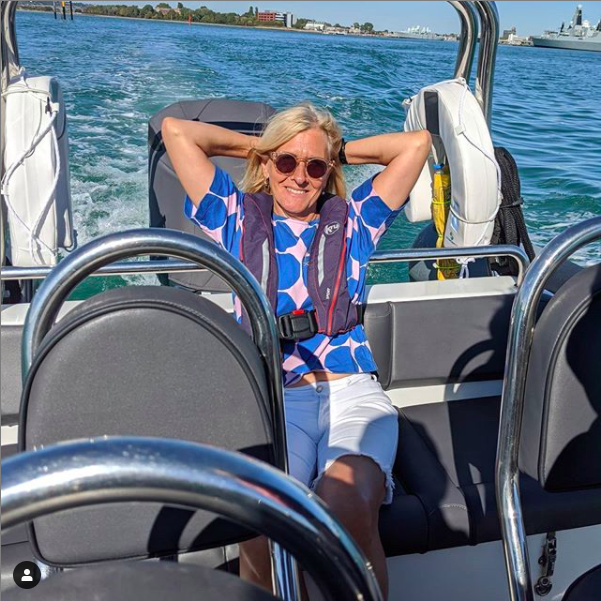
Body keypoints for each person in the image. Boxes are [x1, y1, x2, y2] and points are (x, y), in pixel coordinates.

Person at [162, 103, 430, 598]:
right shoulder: (234, 217)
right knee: (262, 520)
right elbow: (177, 132)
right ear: (267, 164)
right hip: (280, 399)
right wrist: (263, 149)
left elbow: (416, 146)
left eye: (314, 168)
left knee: (344, 501)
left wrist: (334, 151)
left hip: (353, 395)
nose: (300, 177)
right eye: (287, 163)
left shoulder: (355, 222)